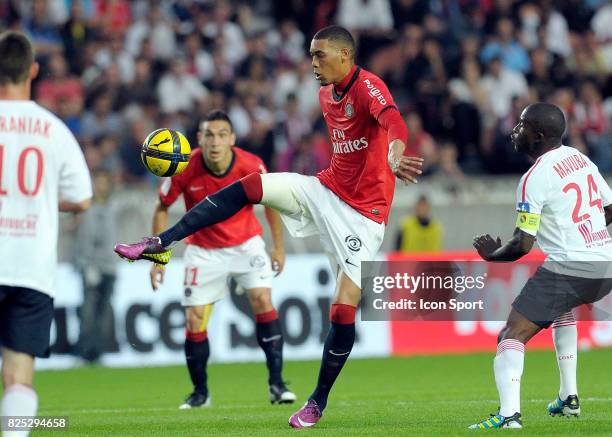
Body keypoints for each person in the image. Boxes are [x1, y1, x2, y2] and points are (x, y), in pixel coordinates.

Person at [114, 25, 422, 428]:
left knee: (343, 312)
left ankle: (316, 402)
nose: (312, 64)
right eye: (311, 55)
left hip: (363, 217)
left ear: (345, 56)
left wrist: (397, 153)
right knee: (251, 186)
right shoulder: (326, 94)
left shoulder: (368, 86)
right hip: (324, 189)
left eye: (320, 56)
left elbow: (393, 120)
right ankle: (161, 241)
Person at [470, 103, 612, 429]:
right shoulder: (580, 158)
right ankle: (569, 397)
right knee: (561, 310)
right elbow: (611, 206)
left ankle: (508, 416)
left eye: (521, 126)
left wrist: (493, 255)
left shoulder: (533, 177)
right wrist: (587, 234)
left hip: (572, 267)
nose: (514, 131)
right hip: (605, 264)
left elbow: (522, 244)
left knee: (511, 334)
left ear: (538, 135)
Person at [150, 110, 295, 408]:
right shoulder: (182, 166)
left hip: (246, 245)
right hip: (203, 250)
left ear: (232, 138)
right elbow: (162, 207)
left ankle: (277, 385)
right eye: (208, 135)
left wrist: (278, 246)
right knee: (193, 320)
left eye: (221, 135)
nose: (215, 141)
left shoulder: (250, 164)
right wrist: (159, 258)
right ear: (200, 139)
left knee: (262, 300)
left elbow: (273, 204)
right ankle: (200, 393)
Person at [0, 31, 92, 436]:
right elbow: (82, 198)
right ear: (34, 70)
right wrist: (37, 199)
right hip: (31, 266)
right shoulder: (53, 129)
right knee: (19, 373)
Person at [73, 169, 118, 363]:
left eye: (103, 182)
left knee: (104, 311)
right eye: (97, 182)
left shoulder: (113, 207)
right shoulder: (86, 209)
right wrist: (86, 264)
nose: (101, 186)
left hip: (109, 266)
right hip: (91, 266)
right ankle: (84, 351)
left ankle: (98, 351)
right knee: (88, 311)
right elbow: (84, 239)